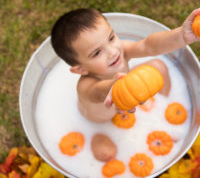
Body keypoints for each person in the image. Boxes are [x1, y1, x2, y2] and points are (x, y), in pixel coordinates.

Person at [51, 8, 200, 161]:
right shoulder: (85, 85)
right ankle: (97, 138)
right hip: (99, 123)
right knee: (106, 153)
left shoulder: (120, 50)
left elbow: (149, 46)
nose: (112, 52)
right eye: (97, 53)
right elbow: (97, 92)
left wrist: (181, 35)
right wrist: (114, 87)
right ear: (81, 69)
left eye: (110, 38)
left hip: (128, 92)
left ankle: (166, 104)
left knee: (159, 66)